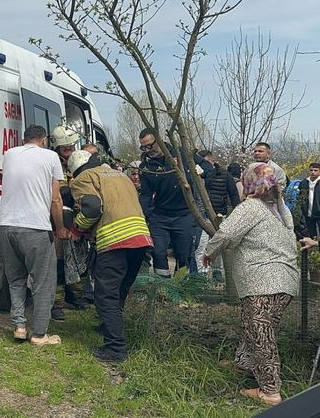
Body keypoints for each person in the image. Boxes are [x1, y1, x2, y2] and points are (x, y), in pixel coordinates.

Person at [202, 163, 299, 407]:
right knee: (251, 323)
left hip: (263, 280)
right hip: (285, 280)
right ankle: (245, 363)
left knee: (261, 333)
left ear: (248, 183)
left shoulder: (251, 207)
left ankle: (270, 391)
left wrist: (209, 252)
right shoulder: (280, 209)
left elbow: (226, 233)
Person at [68, 150, 153, 362]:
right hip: (140, 237)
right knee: (120, 289)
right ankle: (109, 327)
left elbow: (92, 208)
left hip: (114, 240)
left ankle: (115, 348)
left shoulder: (82, 179)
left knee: (105, 295)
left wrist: (77, 228)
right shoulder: (119, 175)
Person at [0, 125, 69, 346]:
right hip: (35, 227)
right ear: (44, 140)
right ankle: (39, 334)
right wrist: (59, 228)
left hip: (6, 225)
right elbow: (56, 199)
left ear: (23, 140)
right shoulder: (50, 157)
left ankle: (19, 326)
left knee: (16, 279)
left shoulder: (9, 154)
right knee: (43, 282)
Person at [138, 128, 197, 276]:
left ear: (159, 140)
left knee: (184, 254)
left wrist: (200, 172)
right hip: (160, 216)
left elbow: (209, 168)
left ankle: (181, 287)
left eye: (149, 146)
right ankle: (163, 287)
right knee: (158, 252)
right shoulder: (145, 167)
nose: (147, 150)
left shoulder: (180, 154)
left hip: (184, 214)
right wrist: (140, 216)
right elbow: (145, 195)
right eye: (143, 147)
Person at [50, 125, 88, 319]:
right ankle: (56, 303)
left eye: (72, 147)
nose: (70, 151)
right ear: (57, 148)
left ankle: (77, 296)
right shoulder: (53, 164)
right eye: (65, 148)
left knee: (78, 259)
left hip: (77, 220)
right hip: (58, 219)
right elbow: (61, 193)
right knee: (58, 262)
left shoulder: (80, 163)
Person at [194, 152, 241, 279]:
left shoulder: (225, 175)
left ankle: (217, 272)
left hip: (219, 215)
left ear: (212, 162)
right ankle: (201, 275)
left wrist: (236, 212)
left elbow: (234, 194)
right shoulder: (196, 176)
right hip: (200, 216)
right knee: (200, 246)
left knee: (218, 246)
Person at [296, 163, 320, 238]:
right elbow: (300, 197)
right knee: (310, 234)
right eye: (311, 170)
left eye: (315, 170)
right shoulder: (304, 183)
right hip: (307, 213)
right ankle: (311, 249)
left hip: (319, 212)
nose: (313, 172)